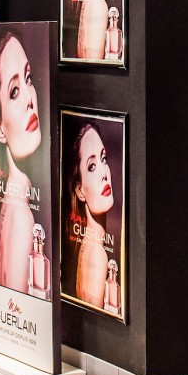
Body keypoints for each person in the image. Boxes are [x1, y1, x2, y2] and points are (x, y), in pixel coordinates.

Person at [0, 32, 47, 294]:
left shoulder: (10, 204)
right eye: (14, 91)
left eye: (28, 78)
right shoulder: (22, 219)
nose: (30, 100)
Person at [64, 122, 114, 309]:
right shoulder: (97, 256)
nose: (104, 173)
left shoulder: (88, 245)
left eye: (104, 159)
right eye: (91, 166)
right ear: (79, 189)